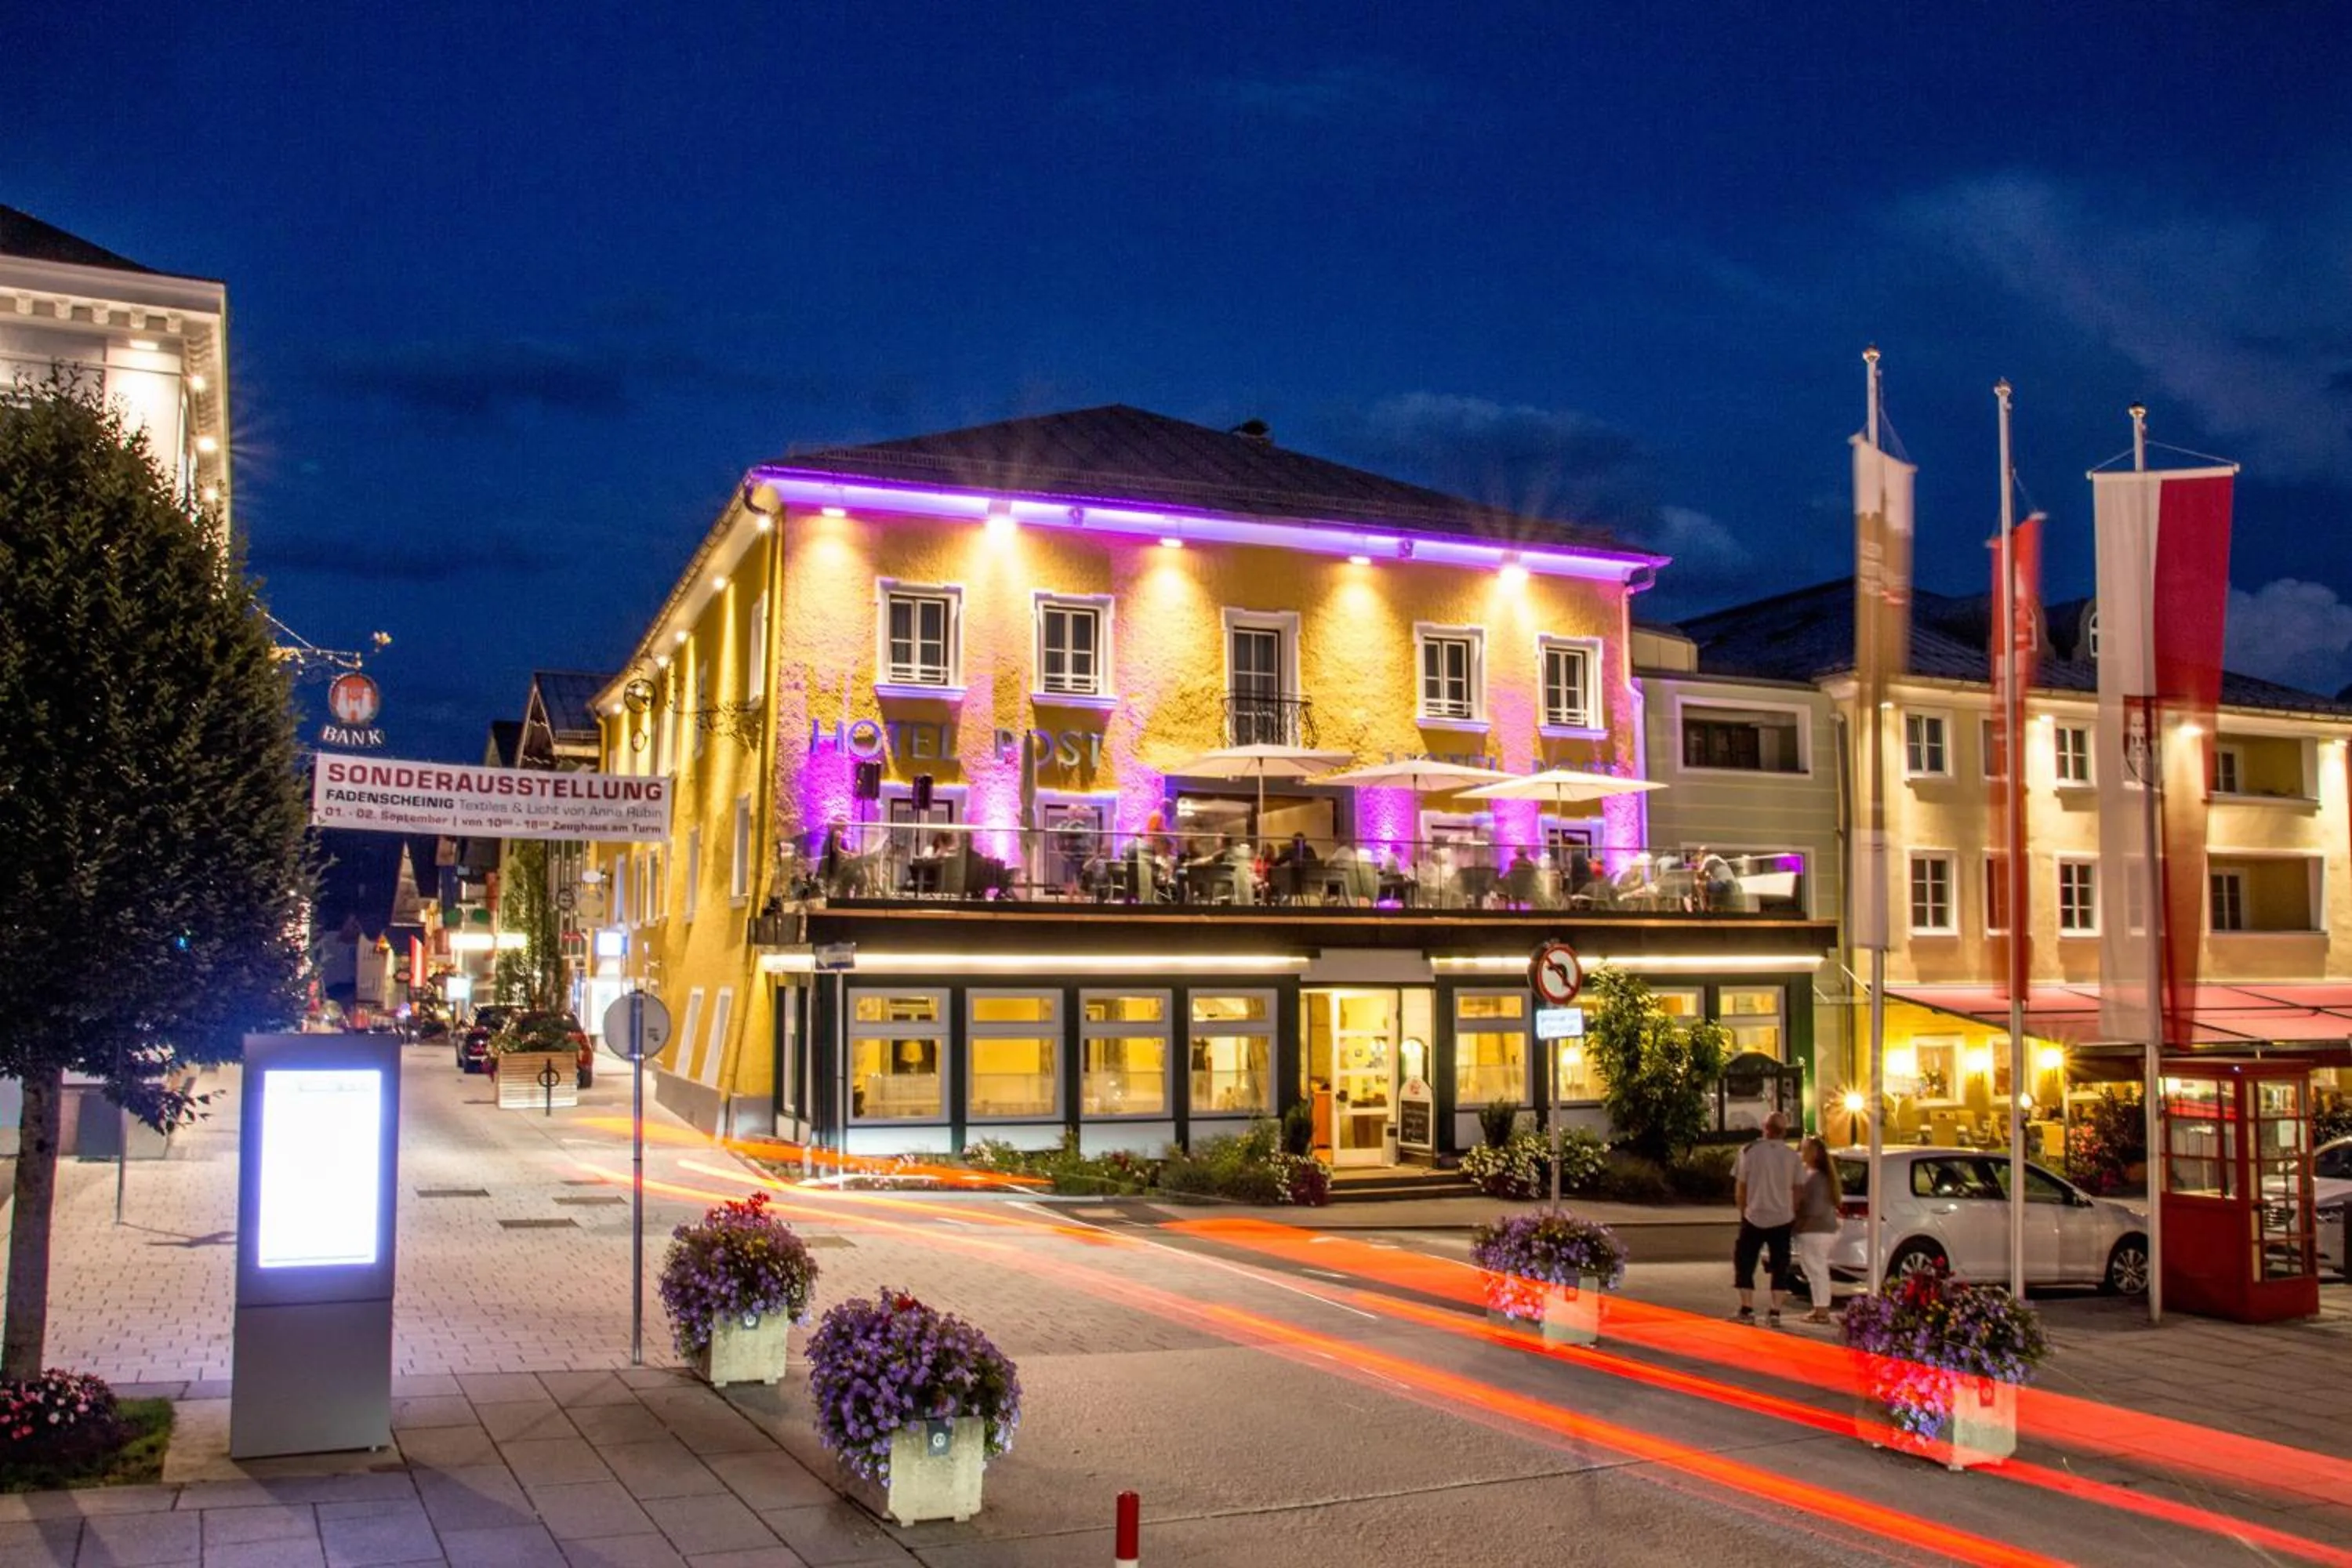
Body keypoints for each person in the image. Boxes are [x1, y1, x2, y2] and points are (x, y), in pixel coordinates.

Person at [1732, 1111, 1803, 1327]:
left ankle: (1747, 1308)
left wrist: (1743, 1211)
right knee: (1781, 1264)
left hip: (1754, 1216)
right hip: (1782, 1217)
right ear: (1784, 1132)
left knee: (1745, 1261)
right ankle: (1775, 1311)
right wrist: (1793, 1211)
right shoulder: (1793, 1157)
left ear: (1765, 1128)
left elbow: (1741, 1186)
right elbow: (1798, 1188)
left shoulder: (1749, 1152)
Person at [1793, 1135, 1842, 1323]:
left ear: (1814, 1153)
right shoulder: (1817, 1175)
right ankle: (1819, 1308)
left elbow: (1814, 1207)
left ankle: (1822, 1310)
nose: (1801, 1152)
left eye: (1804, 1148)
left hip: (1815, 1230)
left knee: (1816, 1269)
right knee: (1814, 1269)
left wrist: (1801, 1221)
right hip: (1818, 1229)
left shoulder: (1816, 1178)